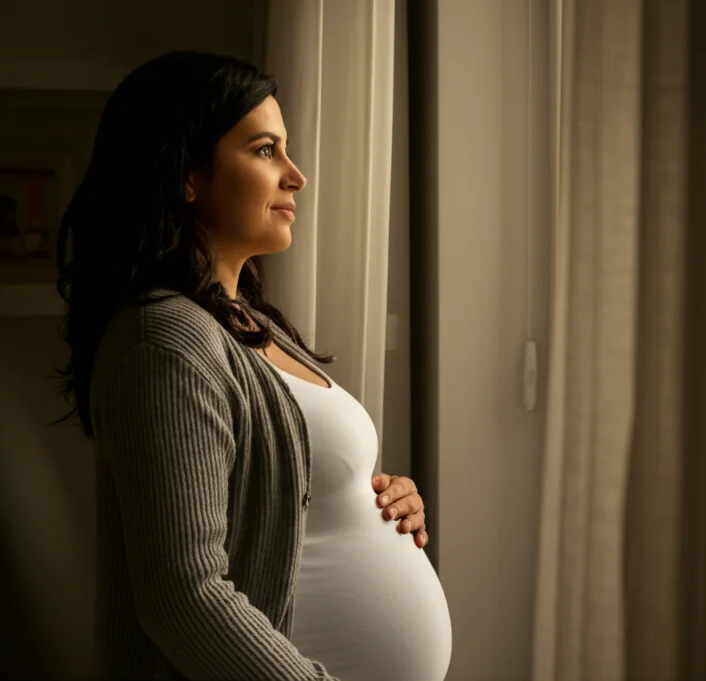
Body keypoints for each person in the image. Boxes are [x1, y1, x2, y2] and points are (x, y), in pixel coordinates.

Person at [55, 51, 452, 681]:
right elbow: (184, 595)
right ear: (187, 172)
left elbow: (288, 493)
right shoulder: (166, 340)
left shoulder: (245, 323)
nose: (295, 175)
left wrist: (374, 500)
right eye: (265, 150)